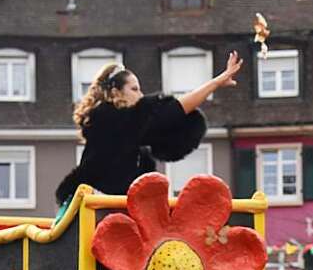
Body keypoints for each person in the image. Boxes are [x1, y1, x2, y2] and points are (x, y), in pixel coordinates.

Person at [54, 52, 244, 216]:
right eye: (134, 89)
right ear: (115, 92)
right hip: (101, 210)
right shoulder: (116, 121)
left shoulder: (116, 127)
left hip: (99, 206)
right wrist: (216, 82)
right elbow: (173, 110)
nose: (141, 95)